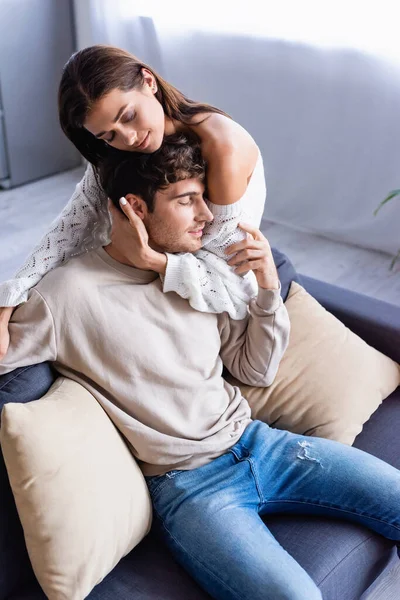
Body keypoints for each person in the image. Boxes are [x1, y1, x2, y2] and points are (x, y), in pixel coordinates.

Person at [1, 135, 400, 600]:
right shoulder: (65, 295)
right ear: (135, 207)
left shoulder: (198, 275)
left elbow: (254, 372)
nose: (207, 217)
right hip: (191, 489)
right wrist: (10, 296)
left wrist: (268, 290)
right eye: (187, 201)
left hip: (262, 444)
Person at [0, 44, 267, 360]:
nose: (127, 138)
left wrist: (150, 259)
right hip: (148, 269)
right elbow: (72, 225)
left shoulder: (223, 149)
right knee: (29, 319)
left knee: (33, 345)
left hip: (203, 297)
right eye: (108, 136)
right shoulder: (122, 150)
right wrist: (9, 299)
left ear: (148, 82)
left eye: (128, 116)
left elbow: (234, 288)